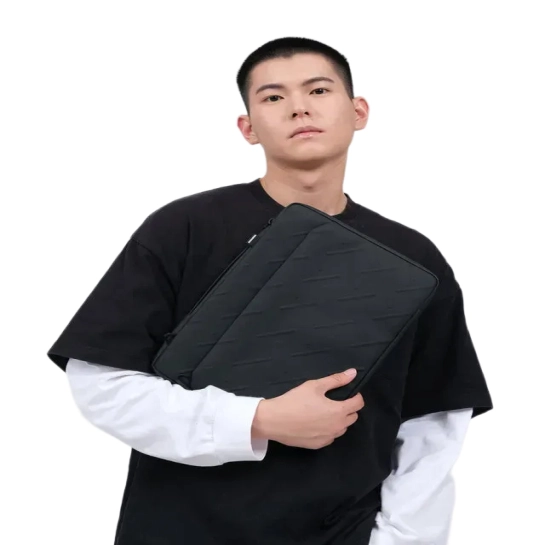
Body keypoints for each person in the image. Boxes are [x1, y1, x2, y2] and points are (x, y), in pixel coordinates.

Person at [47, 36, 493, 545]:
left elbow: (433, 422)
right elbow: (101, 383)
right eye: (274, 96)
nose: (299, 107)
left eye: (318, 90)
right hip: (181, 527)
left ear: (359, 111)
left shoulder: (413, 256)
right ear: (248, 128)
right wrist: (257, 421)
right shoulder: (184, 228)